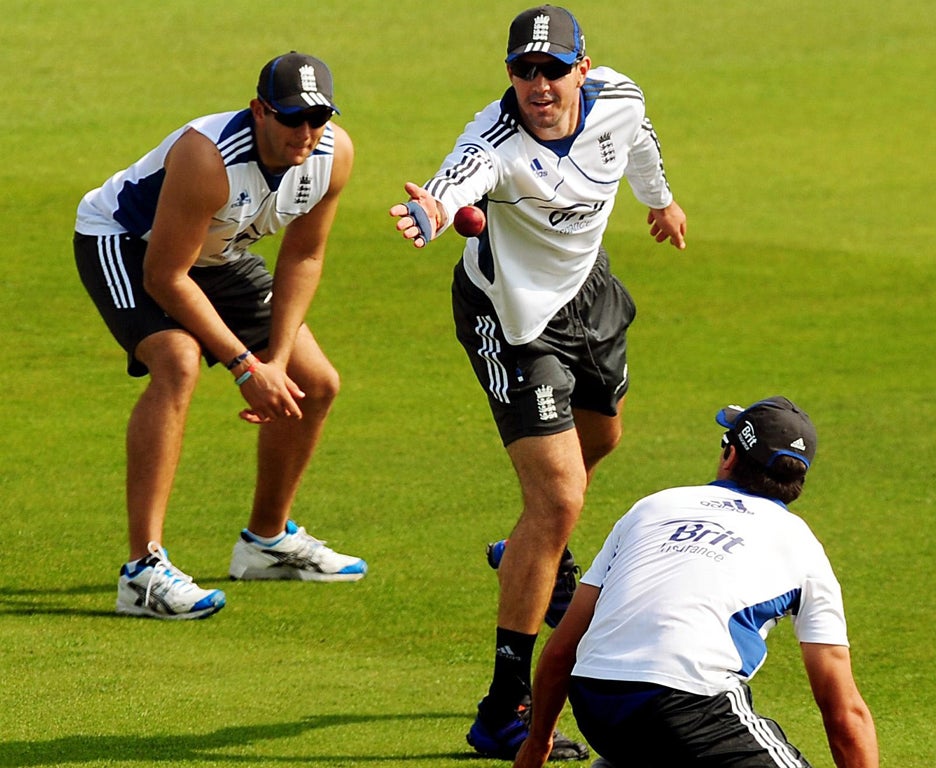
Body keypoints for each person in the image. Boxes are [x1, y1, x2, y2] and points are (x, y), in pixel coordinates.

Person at [388, 5, 687, 760]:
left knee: (603, 440)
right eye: (524, 70)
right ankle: (503, 707)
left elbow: (640, 143)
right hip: (512, 319)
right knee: (558, 500)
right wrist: (432, 212)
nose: (538, 84)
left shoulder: (619, 98)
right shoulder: (493, 139)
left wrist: (660, 202)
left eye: (553, 70)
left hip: (590, 294)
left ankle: (531, 551)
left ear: (583, 70)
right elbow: (455, 183)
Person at [74, 52, 367, 621]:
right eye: (290, 118)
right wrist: (243, 366)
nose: (305, 132)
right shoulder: (207, 159)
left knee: (315, 383)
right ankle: (143, 571)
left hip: (217, 252)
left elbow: (304, 254)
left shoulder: (334, 155)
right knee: (178, 361)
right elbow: (164, 276)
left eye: (319, 117)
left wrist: (276, 361)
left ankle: (266, 541)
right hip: (128, 242)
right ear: (260, 111)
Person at [513, 397, 880, 768]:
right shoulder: (801, 545)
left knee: (658, 744)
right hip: (688, 704)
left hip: (596, 702)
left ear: (730, 456)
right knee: (683, 735)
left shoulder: (654, 508)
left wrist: (537, 742)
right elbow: (843, 713)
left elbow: (562, 650)